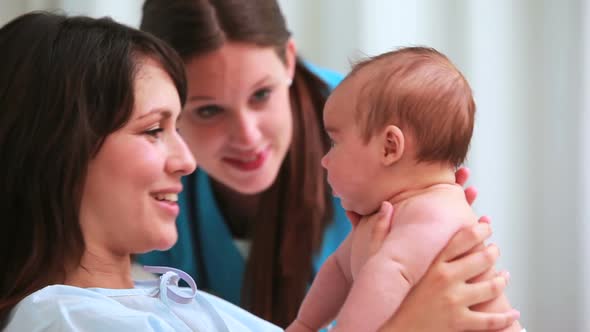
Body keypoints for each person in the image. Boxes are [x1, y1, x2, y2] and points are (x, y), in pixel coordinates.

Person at [0, 11, 520, 332]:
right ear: (61, 149)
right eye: (156, 128)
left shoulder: (168, 296)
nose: (186, 160)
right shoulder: (68, 319)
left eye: (262, 95)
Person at [136, 1, 512, 327]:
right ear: (167, 101)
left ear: (287, 59)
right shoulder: (145, 171)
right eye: (208, 110)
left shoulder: (371, 129)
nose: (247, 136)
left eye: (262, 94)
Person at [288, 47, 523, 332]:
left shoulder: (436, 213)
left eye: (336, 143)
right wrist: (304, 324)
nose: (325, 160)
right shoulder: (392, 213)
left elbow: (384, 278)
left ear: (389, 147)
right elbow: (338, 269)